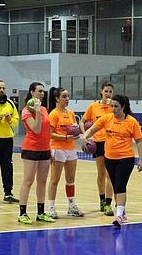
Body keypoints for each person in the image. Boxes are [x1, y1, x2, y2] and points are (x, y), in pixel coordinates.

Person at [82, 94, 142, 228]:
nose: (113, 109)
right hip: (109, 157)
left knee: (120, 185)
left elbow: (139, 141)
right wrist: (85, 137)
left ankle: (119, 215)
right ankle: (123, 212)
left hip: (125, 158)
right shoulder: (107, 118)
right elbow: (92, 129)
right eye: (112, 106)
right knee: (116, 186)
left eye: (116, 106)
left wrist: (141, 159)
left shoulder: (132, 122)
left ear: (123, 107)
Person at [18, 82, 56, 225]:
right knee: (28, 181)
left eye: (43, 91)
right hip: (31, 149)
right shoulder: (26, 111)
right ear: (32, 93)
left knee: (42, 181)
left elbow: (47, 132)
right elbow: (37, 129)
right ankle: (22, 213)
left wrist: (50, 149)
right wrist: (38, 111)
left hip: (44, 149)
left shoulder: (44, 109)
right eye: (39, 91)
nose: (42, 94)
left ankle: (41, 213)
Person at [47, 87, 84, 218]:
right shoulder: (53, 114)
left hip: (71, 149)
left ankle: (71, 206)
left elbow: (73, 129)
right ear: (57, 98)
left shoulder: (71, 113)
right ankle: (51, 208)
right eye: (64, 96)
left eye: (68, 96)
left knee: (70, 179)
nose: (67, 99)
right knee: (54, 180)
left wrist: (77, 133)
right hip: (57, 148)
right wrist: (65, 137)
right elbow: (49, 134)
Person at [80, 81, 115, 216]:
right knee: (101, 173)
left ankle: (108, 203)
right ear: (101, 92)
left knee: (110, 175)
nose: (108, 94)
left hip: (111, 143)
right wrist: (85, 135)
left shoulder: (114, 106)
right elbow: (82, 121)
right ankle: (101, 200)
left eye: (110, 91)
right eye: (106, 91)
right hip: (98, 143)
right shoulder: (93, 106)